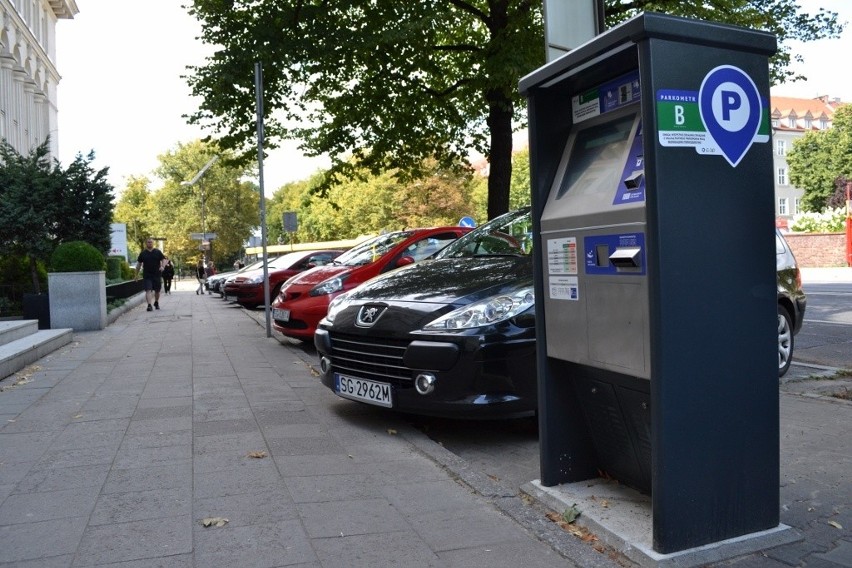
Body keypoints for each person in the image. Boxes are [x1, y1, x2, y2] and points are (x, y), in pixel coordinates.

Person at [135, 238, 166, 311]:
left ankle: (156, 302)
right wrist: (136, 275)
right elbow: (138, 264)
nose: (150, 243)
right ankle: (149, 305)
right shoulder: (143, 253)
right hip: (147, 275)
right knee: (148, 290)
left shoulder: (158, 252)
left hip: (157, 274)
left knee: (157, 291)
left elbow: (163, 260)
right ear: (146, 243)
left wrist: (162, 266)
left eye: (151, 242)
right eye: (148, 242)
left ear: (153, 243)